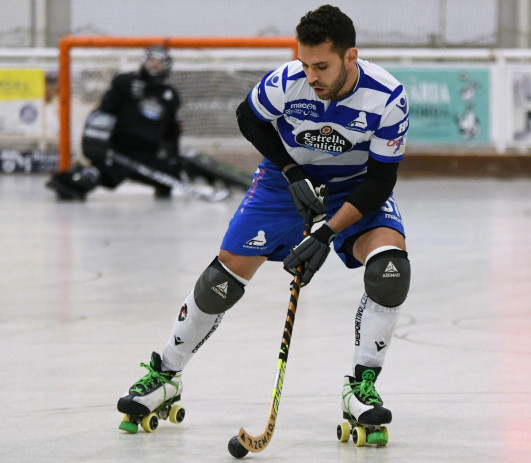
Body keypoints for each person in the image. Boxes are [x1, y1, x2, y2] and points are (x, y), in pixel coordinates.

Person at [117, 4, 411, 437]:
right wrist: (291, 173)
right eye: (305, 63)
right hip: (282, 182)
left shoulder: (387, 95)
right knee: (220, 279)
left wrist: (327, 233)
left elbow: (382, 180)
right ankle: (165, 375)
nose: (312, 76)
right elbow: (248, 118)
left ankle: (361, 388)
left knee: (390, 269)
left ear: (351, 58)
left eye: (322, 66)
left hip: (355, 185)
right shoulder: (289, 81)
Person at [46, 46, 182, 200]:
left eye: (160, 62)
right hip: (119, 150)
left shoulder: (171, 96)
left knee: (171, 177)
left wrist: (173, 156)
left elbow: (172, 132)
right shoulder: (125, 83)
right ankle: (72, 178)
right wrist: (98, 145)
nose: (155, 65)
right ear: (144, 62)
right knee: (102, 177)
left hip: (146, 155)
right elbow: (103, 112)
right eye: (152, 60)